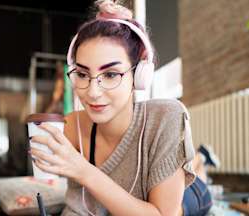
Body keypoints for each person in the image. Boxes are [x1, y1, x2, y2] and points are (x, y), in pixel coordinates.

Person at [30, 0, 213, 215]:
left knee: (195, 184)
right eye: (82, 74)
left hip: (188, 199)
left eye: (110, 75)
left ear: (139, 75)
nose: (93, 92)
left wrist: (83, 170)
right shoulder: (72, 126)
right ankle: (199, 158)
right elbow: (78, 206)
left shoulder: (167, 116)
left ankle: (199, 160)